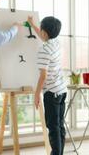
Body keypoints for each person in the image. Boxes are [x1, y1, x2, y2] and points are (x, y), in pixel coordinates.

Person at [27, 16, 67, 155]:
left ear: (44, 32)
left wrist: (37, 94)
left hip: (51, 93)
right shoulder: (56, 42)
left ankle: (55, 153)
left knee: (53, 127)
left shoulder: (44, 50)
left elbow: (43, 75)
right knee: (59, 125)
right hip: (61, 91)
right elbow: (43, 35)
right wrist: (32, 24)